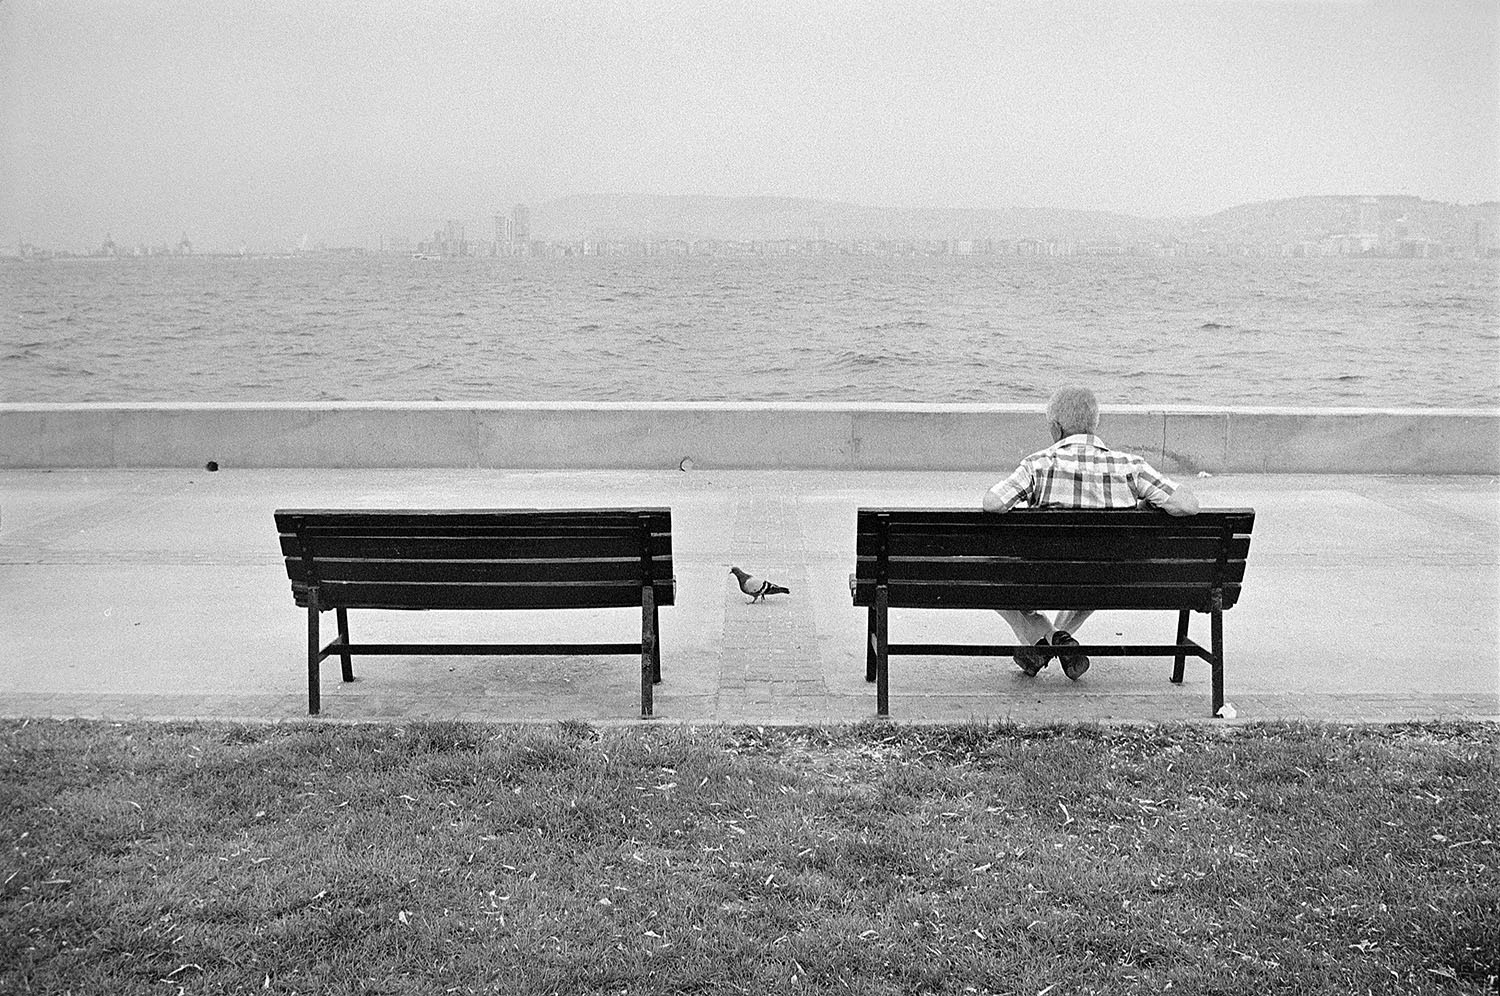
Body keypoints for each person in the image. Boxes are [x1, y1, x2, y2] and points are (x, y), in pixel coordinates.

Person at [982, 385, 1199, 680]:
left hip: (1042, 580)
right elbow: (1188, 504)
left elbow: (993, 503)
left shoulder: (1037, 465)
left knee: (989, 576)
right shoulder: (1131, 466)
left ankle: (1044, 640)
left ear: (1055, 428)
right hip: (1108, 582)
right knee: (1097, 572)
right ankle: (1059, 641)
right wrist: (1147, 503)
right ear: (1094, 425)